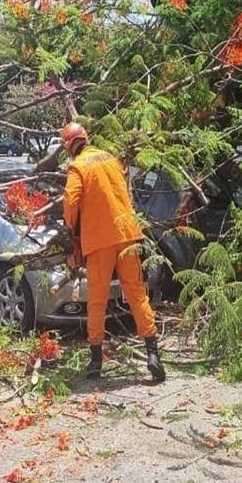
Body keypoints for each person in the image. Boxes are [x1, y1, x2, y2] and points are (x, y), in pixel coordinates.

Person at [61, 122, 165, 383]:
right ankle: (153, 354)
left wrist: (70, 234)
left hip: (101, 241)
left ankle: (96, 360)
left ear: (69, 147)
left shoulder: (77, 167)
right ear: (85, 139)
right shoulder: (111, 158)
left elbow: (71, 204)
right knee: (137, 293)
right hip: (127, 234)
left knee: (97, 299)